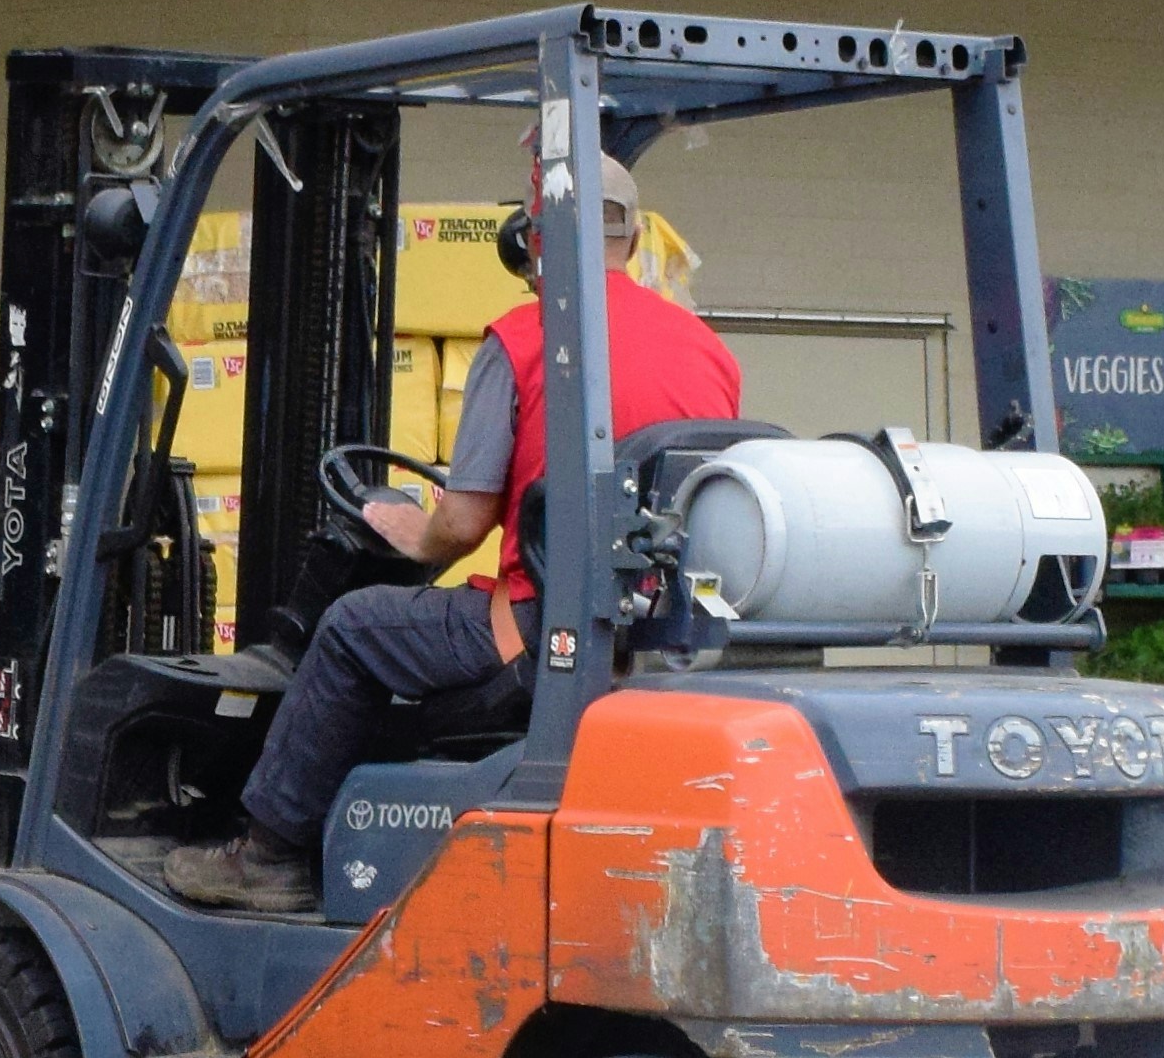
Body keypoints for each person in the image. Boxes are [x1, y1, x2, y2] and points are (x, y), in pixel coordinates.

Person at [166, 151, 741, 914]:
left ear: (532, 242)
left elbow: (461, 525)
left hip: (546, 630)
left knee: (351, 627)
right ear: (632, 245)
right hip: (659, 634)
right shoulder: (708, 348)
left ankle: (269, 854)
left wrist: (407, 527)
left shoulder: (523, 339)